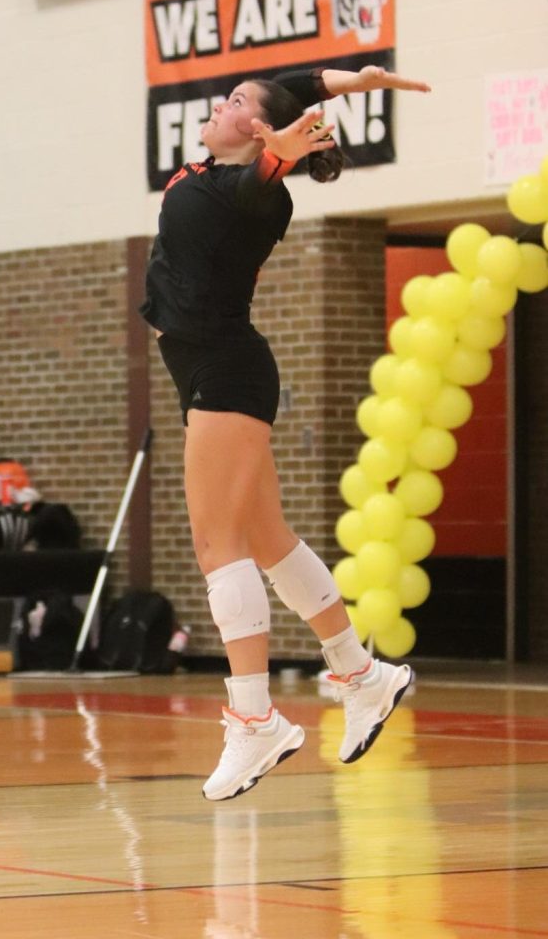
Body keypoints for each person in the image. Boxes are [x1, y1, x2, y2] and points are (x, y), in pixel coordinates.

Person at [140, 64, 432, 802]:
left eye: (235, 103)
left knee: (218, 545)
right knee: (267, 537)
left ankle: (254, 718)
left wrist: (284, 148)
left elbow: (260, 176)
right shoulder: (214, 171)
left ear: (261, 132)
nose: (219, 103)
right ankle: (363, 674)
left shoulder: (257, 198)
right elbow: (292, 83)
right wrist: (348, 80)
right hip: (214, 368)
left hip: (227, 370)